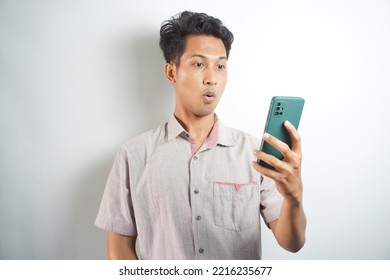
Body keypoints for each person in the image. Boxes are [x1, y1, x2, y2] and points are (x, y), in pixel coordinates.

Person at [95, 10, 306, 260]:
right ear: (172, 73)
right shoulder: (133, 155)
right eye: (198, 64)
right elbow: (119, 249)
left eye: (220, 66)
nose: (211, 79)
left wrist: (294, 197)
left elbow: (292, 243)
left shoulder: (254, 153)